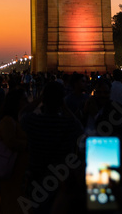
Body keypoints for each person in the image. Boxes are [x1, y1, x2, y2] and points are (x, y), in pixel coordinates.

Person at [20, 81, 83, 214]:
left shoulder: (33, 122)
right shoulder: (67, 124)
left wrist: (39, 99)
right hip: (61, 181)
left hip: (36, 181)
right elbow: (79, 128)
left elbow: (22, 114)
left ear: (44, 100)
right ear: (61, 101)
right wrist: (64, 106)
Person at [0, 89, 29, 214]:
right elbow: (11, 142)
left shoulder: (17, 120)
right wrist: (29, 144)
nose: (27, 101)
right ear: (16, 103)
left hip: (16, 174)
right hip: (9, 173)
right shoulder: (8, 121)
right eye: (24, 99)